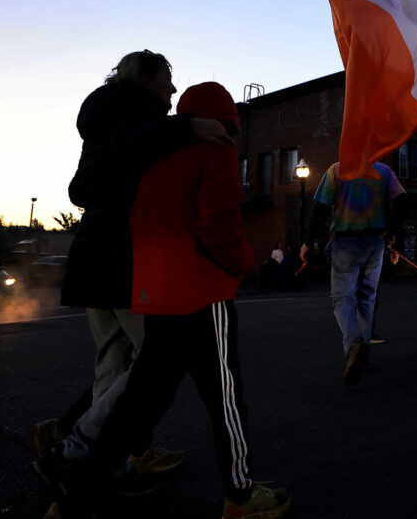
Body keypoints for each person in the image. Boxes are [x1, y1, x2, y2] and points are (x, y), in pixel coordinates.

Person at [41, 82, 292, 519]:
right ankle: (240, 494)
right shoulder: (219, 152)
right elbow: (218, 224)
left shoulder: (151, 161)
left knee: (139, 403)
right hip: (203, 294)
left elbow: (137, 220)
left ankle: (75, 493)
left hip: (157, 296)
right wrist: (242, 262)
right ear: (227, 118)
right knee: (226, 400)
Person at [33, 50, 231, 483]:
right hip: (123, 251)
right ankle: (81, 447)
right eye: (167, 78)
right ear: (145, 77)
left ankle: (115, 459)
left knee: (113, 359)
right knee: (154, 361)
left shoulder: (102, 115)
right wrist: (188, 126)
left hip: (92, 247)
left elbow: (79, 186)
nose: (173, 89)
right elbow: (131, 144)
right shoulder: (136, 109)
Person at [302, 160, 406, 385]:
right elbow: (403, 202)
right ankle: (364, 354)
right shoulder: (383, 171)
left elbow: (320, 208)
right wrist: (389, 234)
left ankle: (353, 345)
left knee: (342, 298)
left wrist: (308, 242)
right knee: (367, 298)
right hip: (375, 240)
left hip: (346, 240)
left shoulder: (337, 170)